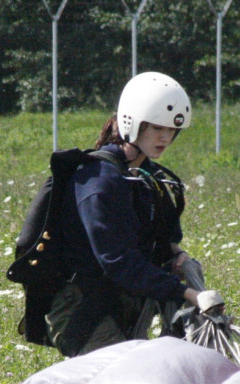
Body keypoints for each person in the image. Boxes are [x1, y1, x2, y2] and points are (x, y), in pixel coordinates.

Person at [46, 72, 204, 357]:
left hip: (126, 303)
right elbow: (117, 261)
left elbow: (165, 240)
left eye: (171, 130)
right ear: (133, 123)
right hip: (86, 311)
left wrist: (181, 261)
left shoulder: (149, 177)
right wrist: (185, 293)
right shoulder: (97, 180)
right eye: (157, 128)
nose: (165, 138)